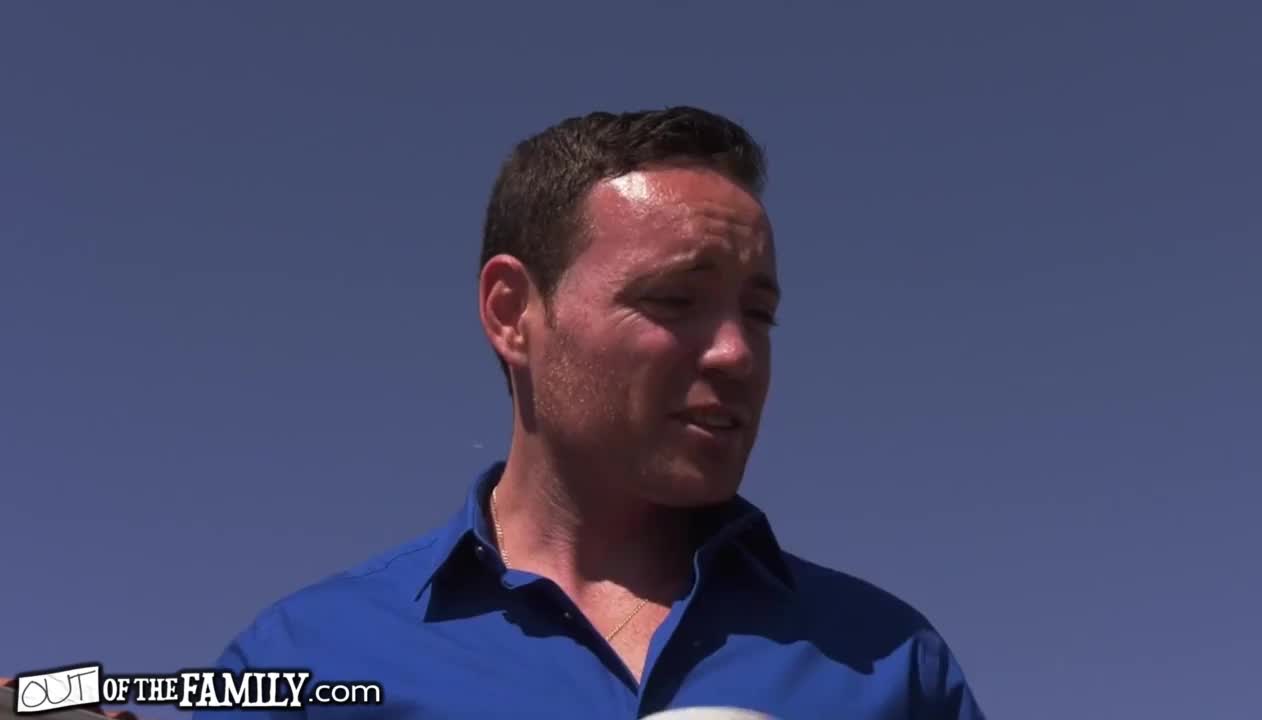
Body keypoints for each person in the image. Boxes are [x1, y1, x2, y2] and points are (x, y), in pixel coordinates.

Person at [192, 107, 986, 719]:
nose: (738, 354)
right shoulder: (306, 660)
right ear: (513, 313)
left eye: (760, 314)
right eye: (674, 300)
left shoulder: (890, 661)